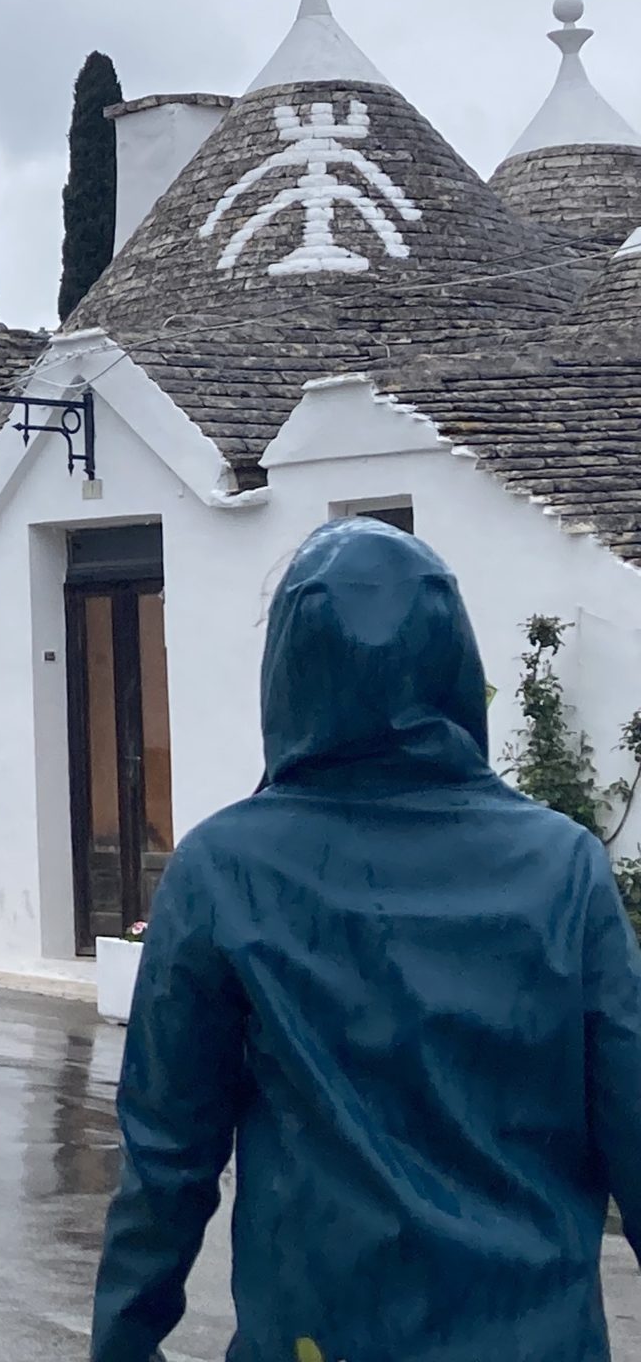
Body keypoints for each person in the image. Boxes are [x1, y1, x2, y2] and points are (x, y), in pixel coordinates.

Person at [92, 519, 641, 1362]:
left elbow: (167, 1158)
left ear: (287, 673)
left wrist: (123, 1345)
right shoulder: (564, 869)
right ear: (456, 664)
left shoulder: (222, 871)